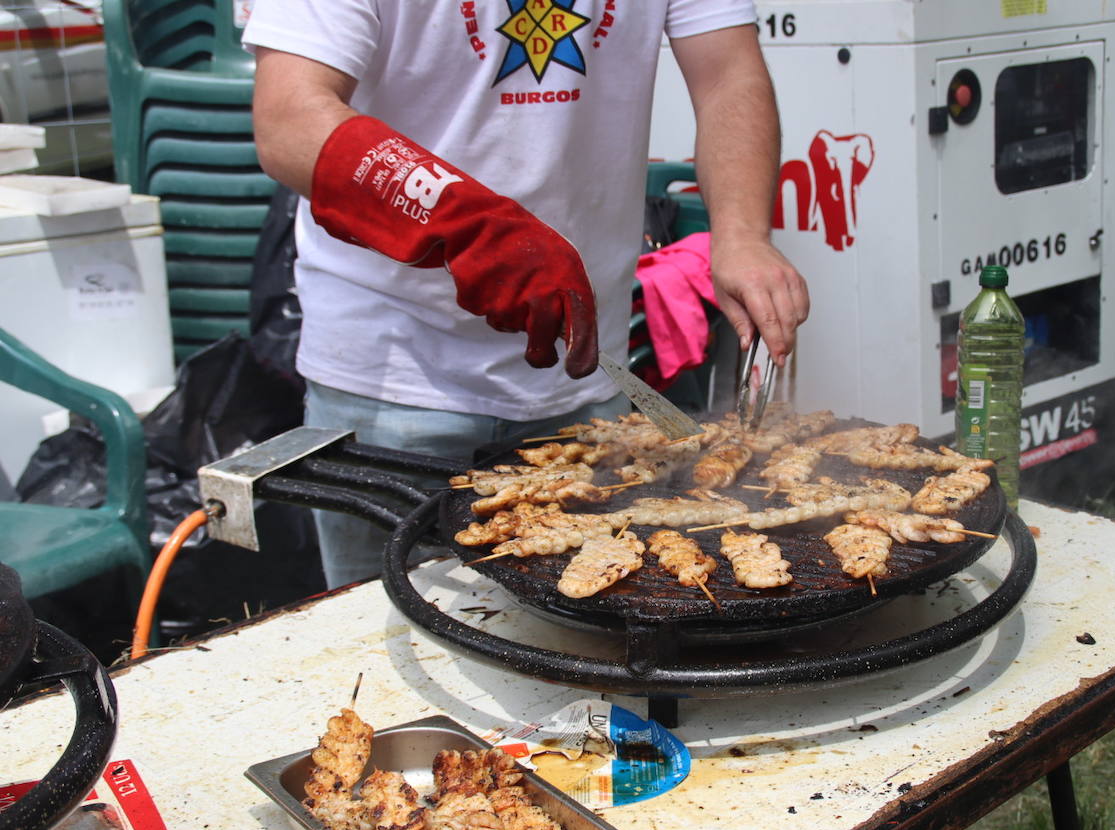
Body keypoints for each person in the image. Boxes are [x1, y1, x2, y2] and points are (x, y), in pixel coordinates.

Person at [243, 0, 809, 587]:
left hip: (583, 373)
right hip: (393, 373)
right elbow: (289, 120)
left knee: (588, 633)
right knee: (383, 643)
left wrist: (741, 235)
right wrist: (468, 223)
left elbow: (726, 75)